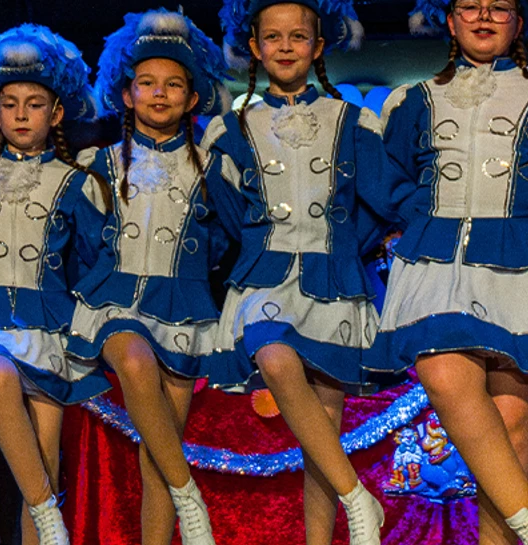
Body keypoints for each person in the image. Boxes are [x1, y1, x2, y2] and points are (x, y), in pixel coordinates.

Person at [369, 1, 528, 543]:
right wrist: (409, 220)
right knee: (442, 375)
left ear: (519, 21)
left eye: (499, 6)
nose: (484, 17)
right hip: (437, 263)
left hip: (521, 264)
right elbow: (386, 180)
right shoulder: (415, 100)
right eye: (470, 6)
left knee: (508, 428)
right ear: (450, 20)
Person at [203, 1, 384, 543]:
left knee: (322, 432)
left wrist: (342, 248)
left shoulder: (352, 120)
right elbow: (231, 213)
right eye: (273, 37)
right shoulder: (231, 128)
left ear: (318, 46)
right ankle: (360, 498)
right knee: (273, 357)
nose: (285, 46)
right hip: (266, 277)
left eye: (298, 36)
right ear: (254, 46)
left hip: (335, 282)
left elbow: (375, 204)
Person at [0, 24, 111, 545]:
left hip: (49, 326)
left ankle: (41, 527)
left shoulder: (76, 180)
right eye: (9, 103)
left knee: (42, 458)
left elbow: (91, 255)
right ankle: (51, 519)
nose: (19, 114)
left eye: (33, 103)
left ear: (56, 112)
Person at [67, 9, 231, 545]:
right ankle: (192, 499)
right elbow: (84, 240)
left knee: (157, 452)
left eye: (173, 85)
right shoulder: (100, 164)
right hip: (114, 301)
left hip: (183, 307)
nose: (159, 95)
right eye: (147, 84)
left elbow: (226, 240)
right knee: (134, 361)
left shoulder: (211, 166)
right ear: (128, 92)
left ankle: (166, 520)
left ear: (192, 96)